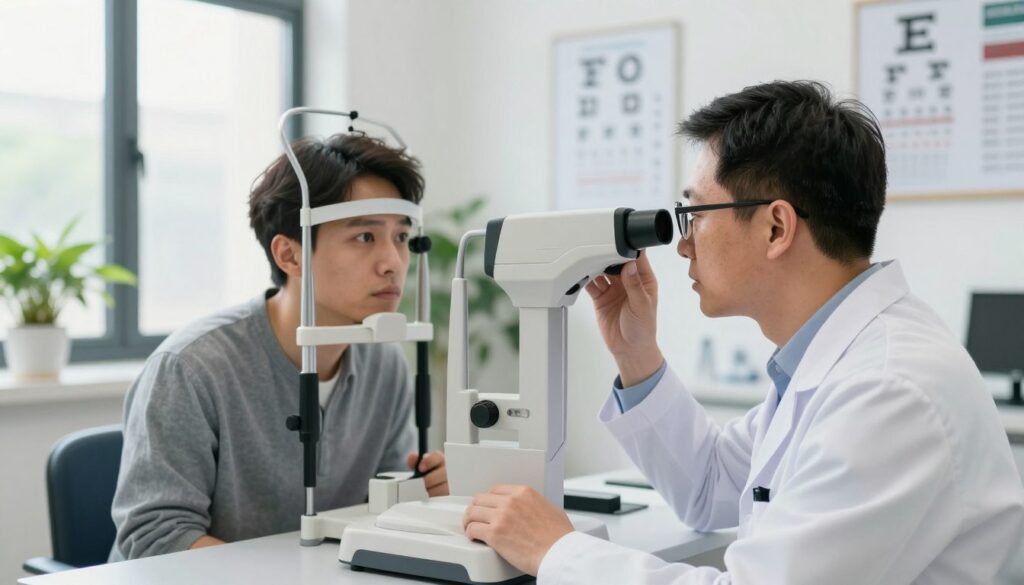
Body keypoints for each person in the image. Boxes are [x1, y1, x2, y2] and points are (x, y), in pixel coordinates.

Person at [462, 80, 1024, 584]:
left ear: (776, 226)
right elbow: (711, 487)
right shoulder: (835, 362)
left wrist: (558, 551)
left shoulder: (887, 391)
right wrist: (637, 355)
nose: (683, 244)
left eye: (695, 214)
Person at [110, 133, 448, 560]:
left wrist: (424, 493)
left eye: (401, 238)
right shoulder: (192, 368)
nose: (393, 263)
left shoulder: (385, 364)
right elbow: (156, 537)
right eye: (365, 237)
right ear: (289, 255)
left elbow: (376, 513)